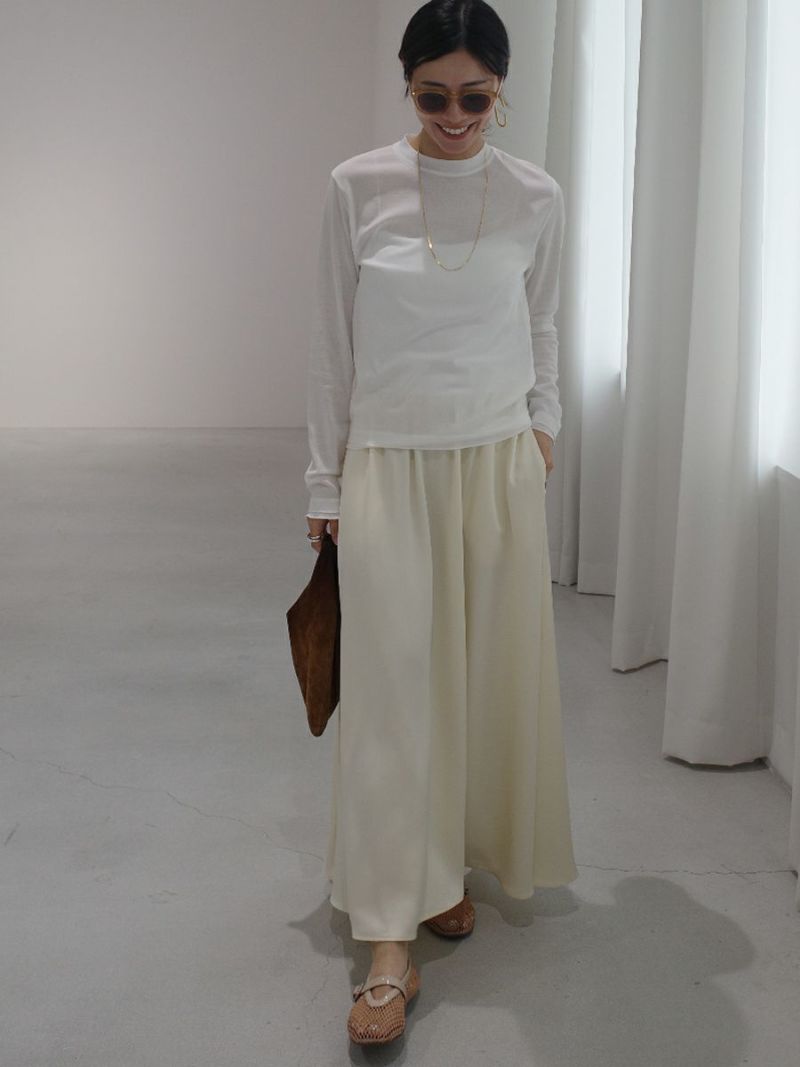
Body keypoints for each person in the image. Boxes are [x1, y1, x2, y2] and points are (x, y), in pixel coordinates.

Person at [303, 0, 578, 1046]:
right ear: (406, 85)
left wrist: (542, 427)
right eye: (432, 97)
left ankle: (444, 867)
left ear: (501, 89)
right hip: (388, 463)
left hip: (496, 464)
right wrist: (323, 485)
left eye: (475, 97)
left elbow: (542, 319)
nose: (455, 117)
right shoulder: (357, 185)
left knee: (479, 677)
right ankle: (387, 937)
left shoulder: (535, 195)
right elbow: (330, 345)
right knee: (390, 692)